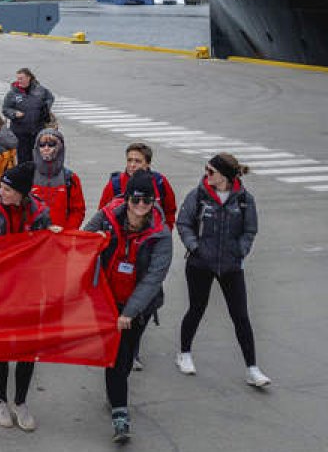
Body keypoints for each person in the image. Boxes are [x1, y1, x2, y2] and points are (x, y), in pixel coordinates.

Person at [0, 162, 58, 433]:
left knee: (27, 348)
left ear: (21, 193)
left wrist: (53, 237)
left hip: (29, 293)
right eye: (2, 187)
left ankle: (21, 402)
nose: (1, 192)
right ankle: (1, 401)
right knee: (1, 348)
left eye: (7, 189)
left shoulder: (40, 214)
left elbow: (49, 252)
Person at [82, 171, 172, 444]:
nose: (141, 205)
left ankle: (115, 394)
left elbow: (153, 278)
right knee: (117, 358)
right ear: (127, 198)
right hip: (108, 301)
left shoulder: (161, 233)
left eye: (147, 200)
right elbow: (82, 238)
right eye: (136, 198)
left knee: (128, 354)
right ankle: (120, 415)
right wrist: (94, 237)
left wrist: (129, 313)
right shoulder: (108, 215)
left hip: (138, 306)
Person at [175, 153, 270, 387]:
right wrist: (194, 247)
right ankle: (184, 354)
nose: (206, 175)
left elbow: (250, 230)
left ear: (225, 177)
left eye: (211, 172)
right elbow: (183, 222)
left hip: (231, 266)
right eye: (206, 170)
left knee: (240, 316)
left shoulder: (244, 199)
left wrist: (240, 251)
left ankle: (252, 369)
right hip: (200, 264)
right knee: (196, 308)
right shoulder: (198, 195)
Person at [98, 142, 179, 228]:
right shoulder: (115, 184)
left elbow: (170, 211)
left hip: (153, 237)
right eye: (129, 160)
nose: (132, 165)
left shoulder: (159, 181)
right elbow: (102, 214)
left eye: (138, 161)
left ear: (148, 163)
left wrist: (165, 232)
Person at [31, 128, 86, 230]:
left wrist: (67, 232)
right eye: (42, 145)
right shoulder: (27, 175)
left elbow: (78, 211)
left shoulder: (70, 178)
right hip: (34, 239)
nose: (46, 148)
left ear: (60, 147)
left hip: (60, 238)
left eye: (51, 144)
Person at [2, 68, 54, 167]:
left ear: (29, 78)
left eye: (21, 78)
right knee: (23, 160)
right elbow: (5, 109)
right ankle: (25, 180)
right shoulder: (12, 93)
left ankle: (37, 179)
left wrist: (46, 108)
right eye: (18, 78)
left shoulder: (40, 90)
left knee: (38, 157)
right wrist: (14, 113)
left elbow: (50, 97)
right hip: (20, 132)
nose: (19, 81)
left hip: (37, 130)